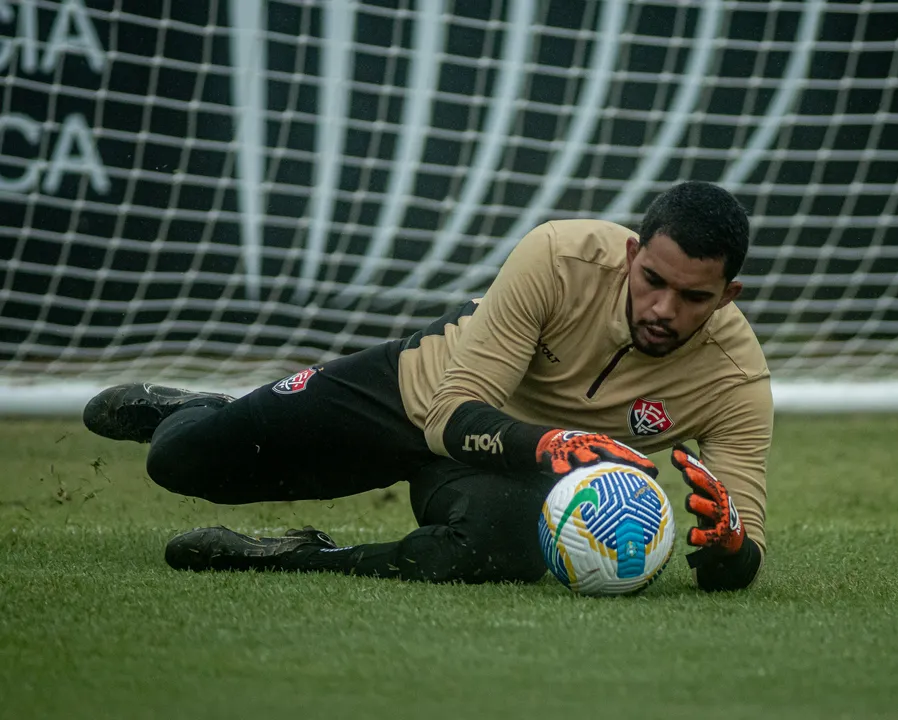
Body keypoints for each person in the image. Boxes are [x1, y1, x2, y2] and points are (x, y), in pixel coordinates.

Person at [83, 181, 773, 592]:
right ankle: (192, 412)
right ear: (631, 255)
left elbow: (743, 549)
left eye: (692, 297)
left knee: (496, 549)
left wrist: (728, 546)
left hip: (505, 472)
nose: (663, 309)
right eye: (653, 281)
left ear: (727, 294)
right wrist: (557, 444)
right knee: (180, 462)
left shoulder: (737, 379)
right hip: (412, 394)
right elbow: (450, 415)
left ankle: (301, 556)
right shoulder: (559, 254)